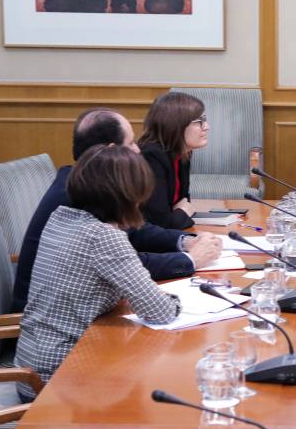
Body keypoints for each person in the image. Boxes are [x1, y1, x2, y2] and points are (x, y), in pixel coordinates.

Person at [12, 109, 222, 312]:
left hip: (78, 308)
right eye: (131, 143)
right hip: (62, 321)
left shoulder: (79, 181)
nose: (139, 150)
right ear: (113, 152)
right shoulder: (75, 197)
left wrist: (185, 241)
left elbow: (132, 232)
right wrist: (190, 260)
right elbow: (122, 261)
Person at [15, 145, 182, 399]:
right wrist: (180, 299)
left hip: (32, 362)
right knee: (160, 377)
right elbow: (160, 311)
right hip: (59, 376)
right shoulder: (103, 236)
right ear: (130, 193)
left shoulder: (61, 216)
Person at [138, 91, 210, 229]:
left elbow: (184, 202)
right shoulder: (151, 157)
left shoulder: (182, 152)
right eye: (199, 122)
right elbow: (160, 223)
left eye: (205, 120)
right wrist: (182, 212)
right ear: (176, 125)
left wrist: (180, 212)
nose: (206, 127)